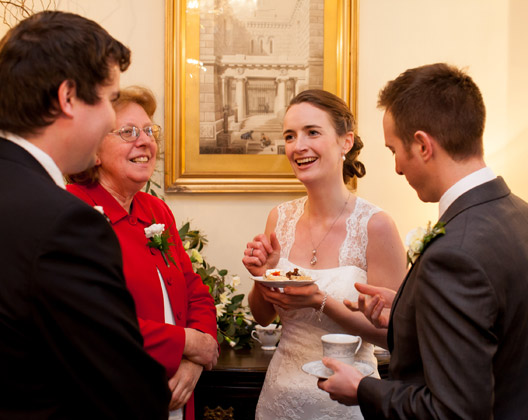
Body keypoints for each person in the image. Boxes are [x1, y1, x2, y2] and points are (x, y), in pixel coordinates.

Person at [318, 63, 528, 419]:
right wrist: (408, 309)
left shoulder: (455, 254)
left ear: (422, 145)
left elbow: (453, 412)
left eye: (394, 150)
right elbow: (492, 333)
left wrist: (363, 389)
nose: (398, 167)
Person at [0, 11, 171, 419]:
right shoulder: (64, 223)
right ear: (68, 97)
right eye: (111, 100)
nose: (114, 119)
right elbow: (127, 393)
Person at [242, 89, 407, 419]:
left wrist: (320, 300)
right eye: (290, 136)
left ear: (345, 142)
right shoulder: (280, 218)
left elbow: (397, 338)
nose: (298, 146)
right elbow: (262, 317)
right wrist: (263, 275)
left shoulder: (376, 226)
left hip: (349, 404)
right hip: (280, 398)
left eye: (312, 132)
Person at [66, 86, 219, 420]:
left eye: (150, 131)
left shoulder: (156, 210)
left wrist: (193, 362)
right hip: (112, 397)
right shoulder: (72, 211)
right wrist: (188, 344)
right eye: (128, 132)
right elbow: (93, 324)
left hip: (175, 394)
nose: (146, 141)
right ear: (93, 149)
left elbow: (196, 291)